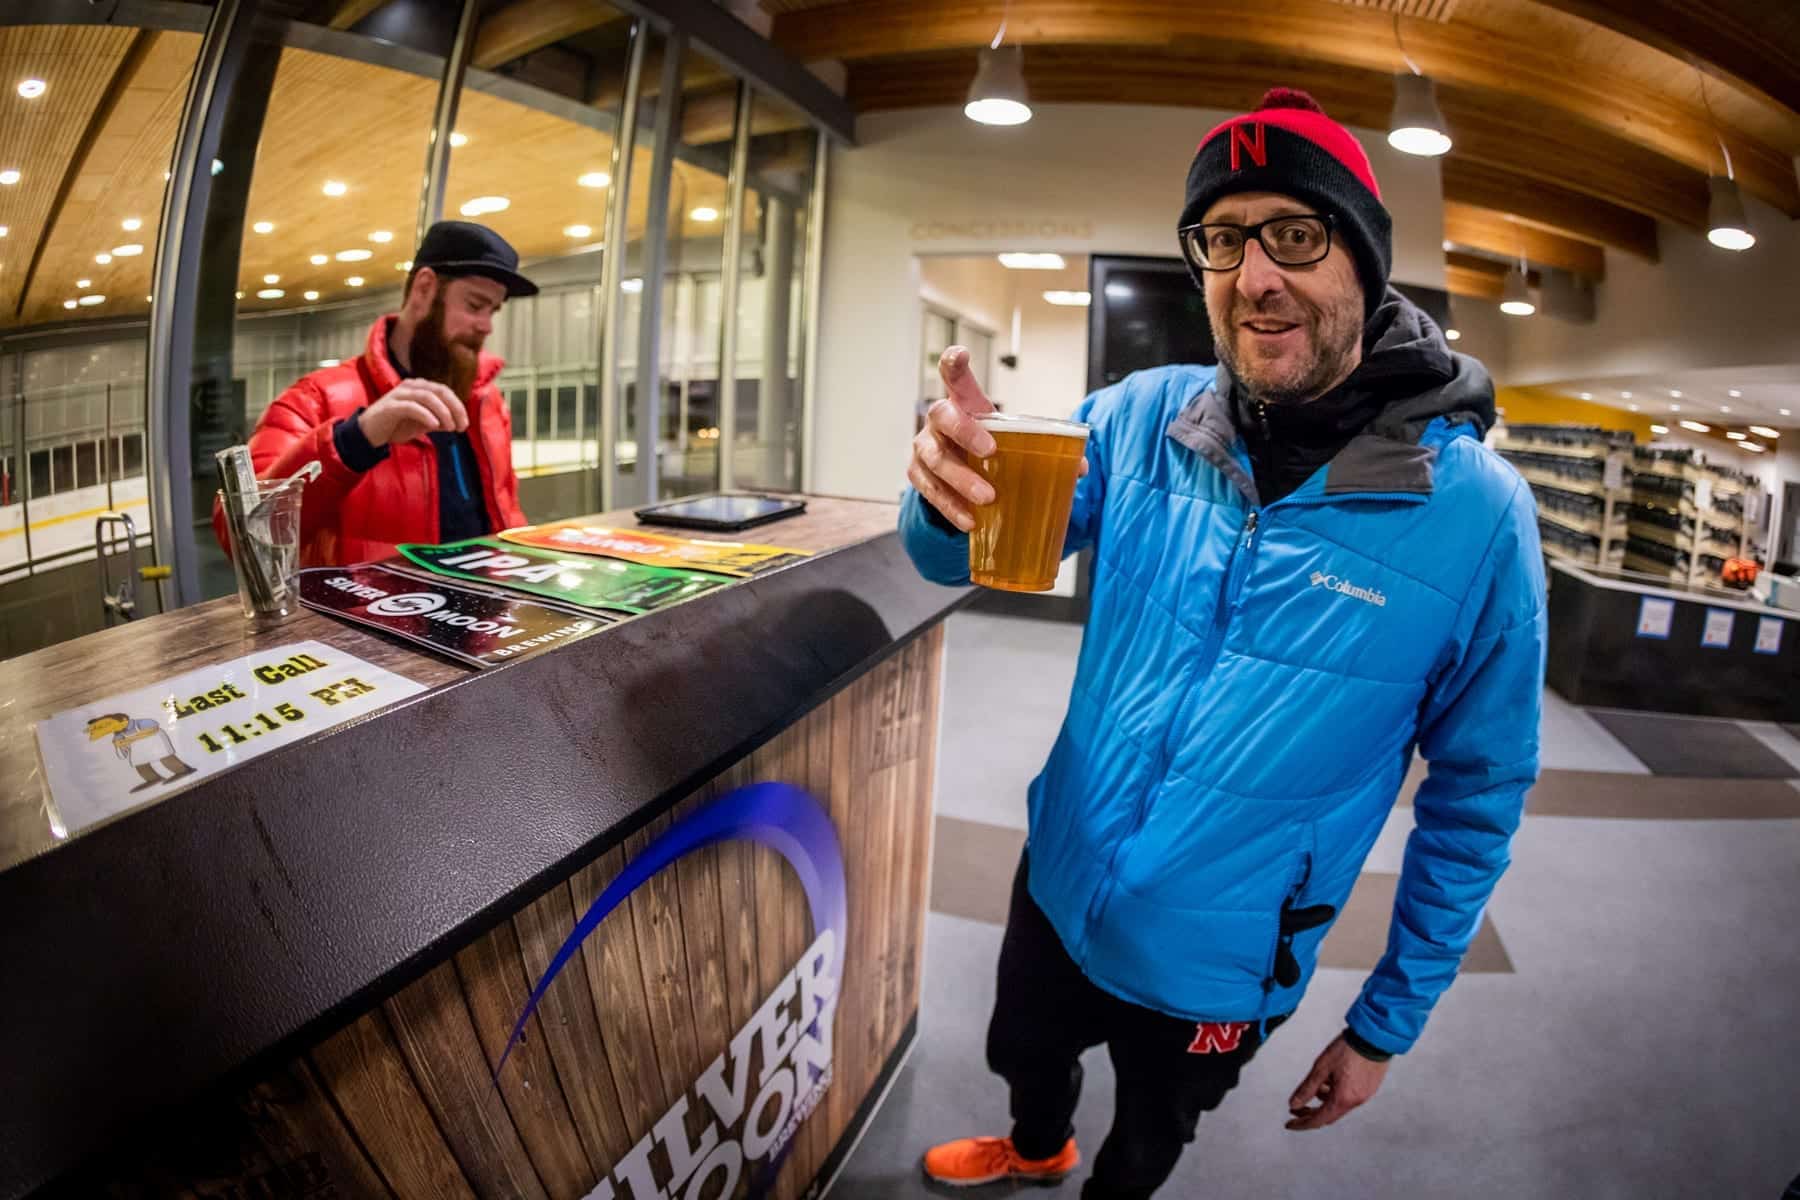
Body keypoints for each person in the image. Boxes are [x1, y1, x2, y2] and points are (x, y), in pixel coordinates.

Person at [901, 88, 1546, 1198]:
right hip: (1061, 873)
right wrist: (941, 498)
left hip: (1228, 954)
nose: (1255, 277)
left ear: (1366, 262)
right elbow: (961, 558)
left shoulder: (1480, 517)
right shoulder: (1137, 417)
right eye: (1224, 239)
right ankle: (1035, 1145)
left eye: (1297, 234)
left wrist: (1385, 1025)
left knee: (1150, 1138)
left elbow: (1479, 793)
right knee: (1025, 1055)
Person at [211, 221, 535, 567]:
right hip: (372, 617)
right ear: (424, 289)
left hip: (487, 614)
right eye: (474, 305)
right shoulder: (315, 397)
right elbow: (243, 535)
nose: (486, 325)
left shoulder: (486, 400)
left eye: (492, 311)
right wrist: (355, 440)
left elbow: (507, 513)